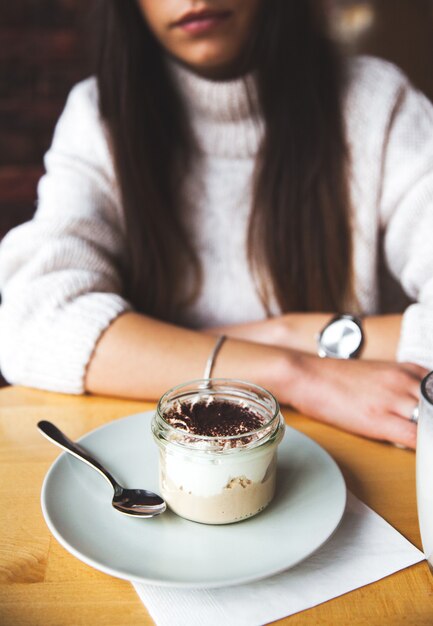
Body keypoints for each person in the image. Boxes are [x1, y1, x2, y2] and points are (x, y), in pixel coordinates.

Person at [0, 0, 432, 449]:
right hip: (159, 463)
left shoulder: (377, 102)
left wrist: (185, 346)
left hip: (356, 460)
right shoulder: (99, 115)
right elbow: (32, 319)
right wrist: (297, 372)